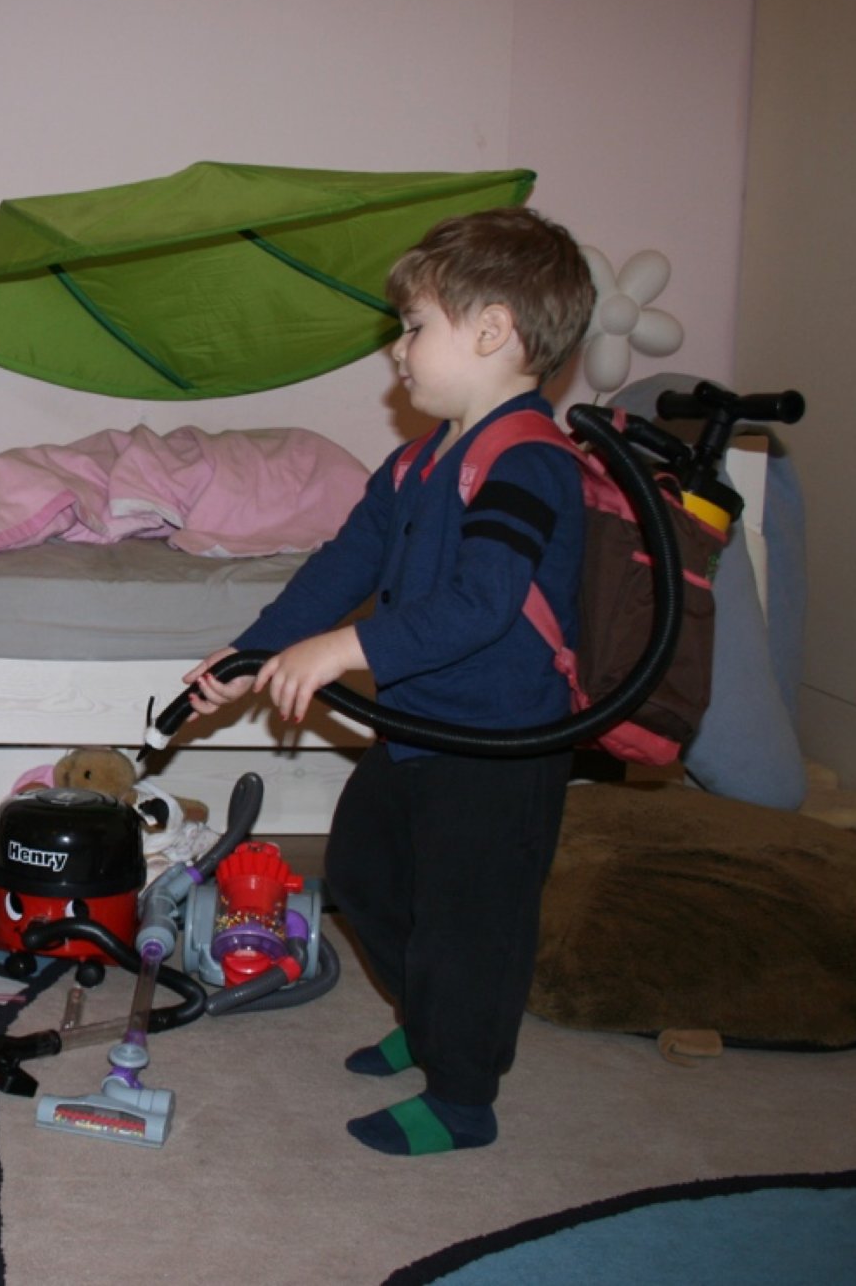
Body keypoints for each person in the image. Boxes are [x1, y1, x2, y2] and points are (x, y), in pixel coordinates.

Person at [183, 205, 596, 1157]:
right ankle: (429, 1015)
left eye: (415, 328)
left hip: (498, 746)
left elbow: (483, 604)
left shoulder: (530, 461)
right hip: (419, 731)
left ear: (492, 330)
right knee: (366, 875)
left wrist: (341, 652)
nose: (398, 352)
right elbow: (341, 567)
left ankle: (462, 1095)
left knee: (472, 920)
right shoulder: (418, 461)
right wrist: (250, 655)